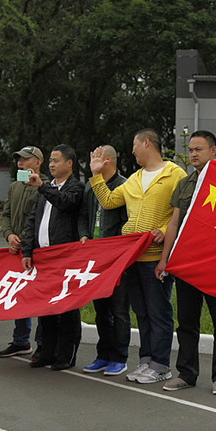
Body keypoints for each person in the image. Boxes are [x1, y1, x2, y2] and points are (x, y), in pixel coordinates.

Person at [88, 128, 186, 384]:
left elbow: (186, 209)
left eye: (134, 145)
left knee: (158, 311)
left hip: (157, 256)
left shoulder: (174, 173)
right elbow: (109, 201)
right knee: (141, 312)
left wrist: (165, 231)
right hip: (133, 257)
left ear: (146, 143)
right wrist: (96, 175)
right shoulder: (133, 179)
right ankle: (146, 361)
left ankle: (161, 364)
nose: (132, 151)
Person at [155, 130, 216, 395]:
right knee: (187, 322)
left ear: (213, 150)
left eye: (198, 149)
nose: (192, 154)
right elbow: (174, 223)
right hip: (187, 263)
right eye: (190, 150)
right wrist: (164, 259)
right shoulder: (186, 183)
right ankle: (187, 373)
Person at [22, 145, 85, 371]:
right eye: (50, 160)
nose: (51, 164)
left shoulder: (76, 187)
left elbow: (66, 203)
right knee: (45, 308)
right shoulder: (46, 188)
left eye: (56, 161)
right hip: (43, 257)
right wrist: (27, 251)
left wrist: (43, 188)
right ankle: (47, 351)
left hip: (64, 257)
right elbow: (33, 221)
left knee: (67, 307)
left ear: (69, 163)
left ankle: (67, 354)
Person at [79, 145, 130, 376]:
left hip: (116, 258)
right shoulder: (91, 187)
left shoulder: (124, 185)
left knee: (118, 310)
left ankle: (119, 357)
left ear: (107, 161)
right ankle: (103, 355)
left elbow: (126, 221)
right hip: (95, 257)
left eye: (96, 158)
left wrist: (116, 246)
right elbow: (84, 215)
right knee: (101, 310)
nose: (92, 162)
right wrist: (85, 234)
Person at [0, 146, 47, 360]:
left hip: (36, 250)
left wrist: (23, 240)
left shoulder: (43, 187)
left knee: (40, 298)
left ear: (37, 162)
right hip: (16, 250)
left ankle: (43, 344)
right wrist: (9, 236)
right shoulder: (15, 186)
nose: (20, 163)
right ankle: (20, 341)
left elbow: (38, 218)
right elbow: (6, 214)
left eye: (25, 159)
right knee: (19, 296)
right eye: (18, 159)